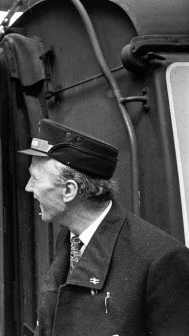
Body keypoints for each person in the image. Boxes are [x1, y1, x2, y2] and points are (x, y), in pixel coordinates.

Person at [20, 118, 189, 335]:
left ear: (69, 191)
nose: (28, 187)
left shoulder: (163, 259)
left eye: (35, 178)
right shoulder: (70, 238)